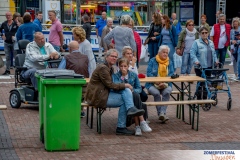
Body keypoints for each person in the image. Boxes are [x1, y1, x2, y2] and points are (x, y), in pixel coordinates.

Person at [85, 49, 145, 135]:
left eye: (116, 57)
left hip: (105, 93)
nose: (114, 58)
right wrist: (125, 85)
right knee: (126, 96)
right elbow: (110, 85)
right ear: (106, 57)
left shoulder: (110, 68)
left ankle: (128, 114)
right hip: (98, 97)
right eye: (112, 56)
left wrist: (125, 86)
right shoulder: (103, 68)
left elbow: (113, 86)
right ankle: (122, 125)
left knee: (126, 93)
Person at [112, 58, 152, 136]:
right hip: (122, 95)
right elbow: (116, 87)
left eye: (125, 66)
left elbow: (139, 88)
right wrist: (123, 77)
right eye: (121, 66)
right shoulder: (116, 76)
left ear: (128, 66)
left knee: (134, 96)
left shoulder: (133, 75)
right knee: (134, 96)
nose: (123, 68)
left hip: (133, 94)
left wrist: (132, 90)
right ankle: (142, 122)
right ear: (118, 67)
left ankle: (138, 126)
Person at [145, 45, 172, 122]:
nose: (165, 54)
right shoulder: (152, 61)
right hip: (152, 84)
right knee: (156, 93)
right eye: (163, 52)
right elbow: (149, 73)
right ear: (159, 52)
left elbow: (171, 74)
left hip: (166, 84)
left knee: (167, 92)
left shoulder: (169, 62)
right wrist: (156, 81)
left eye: (167, 53)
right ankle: (161, 113)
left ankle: (162, 113)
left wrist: (164, 82)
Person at [190, 27, 218, 99]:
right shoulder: (196, 42)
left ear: (208, 33)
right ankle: (199, 98)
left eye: (206, 32)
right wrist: (196, 61)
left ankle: (205, 98)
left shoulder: (211, 42)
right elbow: (192, 53)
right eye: (202, 33)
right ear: (200, 34)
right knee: (201, 83)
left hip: (209, 66)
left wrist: (216, 60)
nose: (204, 34)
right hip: (200, 66)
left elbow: (214, 53)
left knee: (207, 82)